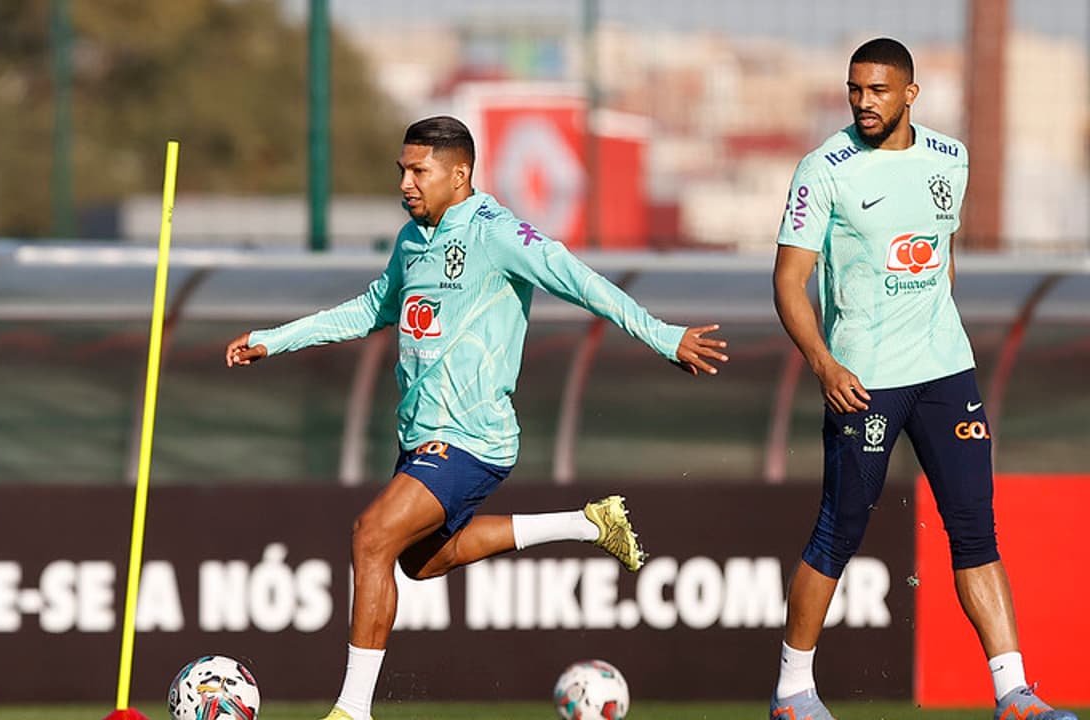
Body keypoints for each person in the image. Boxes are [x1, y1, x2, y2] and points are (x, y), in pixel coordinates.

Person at [226, 115, 729, 720]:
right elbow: (367, 310)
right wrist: (273, 339)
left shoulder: (497, 233)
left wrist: (663, 335)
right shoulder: (412, 240)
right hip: (421, 439)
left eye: (419, 171)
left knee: (371, 535)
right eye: (402, 171)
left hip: (472, 438)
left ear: (459, 173)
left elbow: (579, 280)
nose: (407, 184)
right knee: (415, 560)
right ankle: (587, 523)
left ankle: (351, 711)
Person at [770, 38, 1077, 720]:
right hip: (864, 380)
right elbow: (789, 280)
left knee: (976, 531)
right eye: (855, 89)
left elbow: (941, 258)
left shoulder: (950, 159)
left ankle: (1013, 694)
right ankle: (792, 690)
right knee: (839, 530)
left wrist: (941, 330)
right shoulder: (824, 169)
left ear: (910, 93)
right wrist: (824, 362)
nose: (863, 102)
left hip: (945, 371)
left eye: (878, 90)